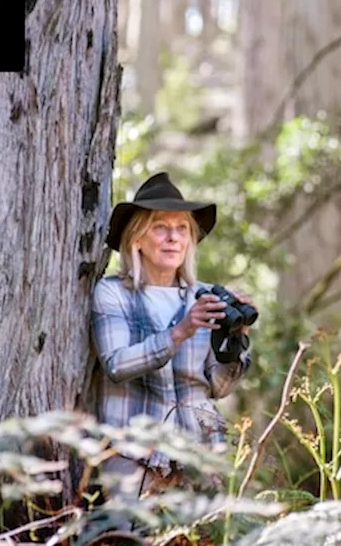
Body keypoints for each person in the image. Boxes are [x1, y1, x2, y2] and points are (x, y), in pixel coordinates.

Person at [89, 172, 255, 500]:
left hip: (199, 452)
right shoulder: (113, 294)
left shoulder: (205, 297)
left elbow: (218, 388)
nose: (173, 238)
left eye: (182, 229)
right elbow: (116, 364)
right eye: (161, 227)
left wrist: (234, 342)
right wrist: (180, 332)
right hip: (132, 451)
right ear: (136, 238)